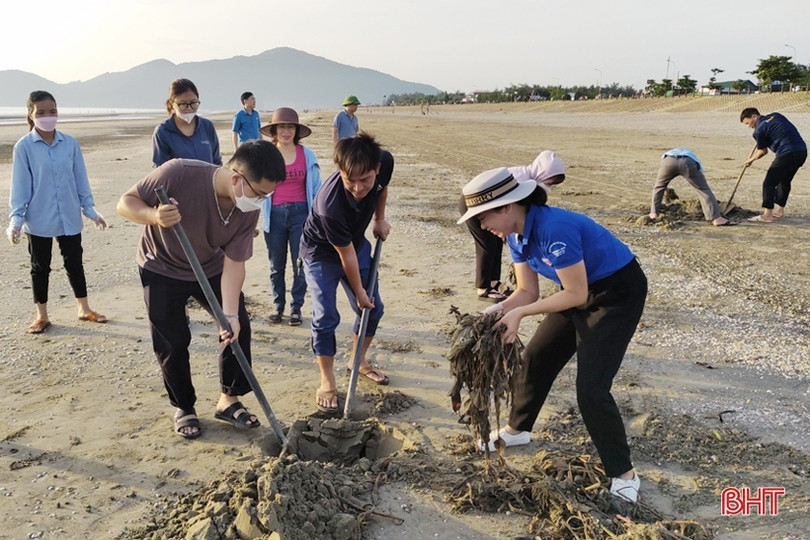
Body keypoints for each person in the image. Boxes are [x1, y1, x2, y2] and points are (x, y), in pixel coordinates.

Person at [458, 167, 647, 504]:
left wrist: (517, 314)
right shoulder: (514, 237)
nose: (481, 226)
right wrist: (492, 313)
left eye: (482, 217)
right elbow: (527, 292)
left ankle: (624, 474)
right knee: (535, 358)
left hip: (616, 292)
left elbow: (576, 294)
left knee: (591, 388)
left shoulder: (553, 228)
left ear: (507, 207)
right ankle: (517, 429)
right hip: (577, 289)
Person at [116, 140, 286, 439]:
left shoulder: (248, 207)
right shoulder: (179, 172)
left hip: (210, 266)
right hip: (162, 266)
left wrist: (230, 314)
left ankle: (228, 400)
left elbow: (235, 262)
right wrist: (154, 216)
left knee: (238, 327)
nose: (261, 201)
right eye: (259, 193)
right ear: (237, 178)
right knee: (173, 340)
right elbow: (126, 202)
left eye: (266, 196)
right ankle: (184, 407)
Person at [300, 133, 393, 413]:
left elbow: (383, 187)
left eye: (364, 179)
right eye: (348, 179)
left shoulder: (384, 162)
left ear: (376, 168)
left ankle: (358, 361)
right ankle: (327, 380)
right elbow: (346, 255)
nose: (356, 187)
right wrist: (360, 293)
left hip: (356, 242)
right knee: (326, 316)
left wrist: (379, 219)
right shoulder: (330, 204)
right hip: (321, 253)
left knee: (373, 311)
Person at [8, 90, 108, 334]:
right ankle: (41, 315)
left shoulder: (70, 144)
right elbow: (20, 187)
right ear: (31, 115)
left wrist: (91, 210)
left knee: (74, 262)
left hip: (69, 216)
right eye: (41, 112)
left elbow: (80, 180)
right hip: (39, 219)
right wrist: (16, 220)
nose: (47, 116)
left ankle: (84, 309)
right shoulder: (24, 147)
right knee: (40, 266)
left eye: (52, 111)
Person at [457, 150, 566, 302]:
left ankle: (494, 282)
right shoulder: (520, 179)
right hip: (473, 204)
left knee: (496, 243)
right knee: (486, 244)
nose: (549, 186)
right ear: (543, 173)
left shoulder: (531, 179)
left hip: (489, 205)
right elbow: (509, 212)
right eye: (549, 182)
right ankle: (483, 288)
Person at [258, 108, 322, 326]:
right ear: (274, 130)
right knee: (276, 265)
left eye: (290, 126)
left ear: (297, 130)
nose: (286, 131)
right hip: (273, 215)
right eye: (282, 127)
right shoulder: (266, 155)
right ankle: (278, 305)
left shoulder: (307, 155)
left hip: (301, 215)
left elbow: (317, 188)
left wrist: (318, 218)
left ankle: (296, 307)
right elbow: (255, 188)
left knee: (301, 264)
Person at [740, 108, 807, 222]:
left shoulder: (759, 131)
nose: (748, 126)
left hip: (787, 153)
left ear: (754, 117)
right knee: (784, 180)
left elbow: (763, 151)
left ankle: (767, 215)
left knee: (769, 183)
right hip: (801, 151)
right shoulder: (776, 115)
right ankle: (780, 211)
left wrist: (751, 160)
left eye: (747, 123)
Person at [649, 148, 733, 226]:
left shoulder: (667, 155)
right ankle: (716, 218)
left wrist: (665, 189)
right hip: (687, 162)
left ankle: (653, 214)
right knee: (703, 189)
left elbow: (662, 182)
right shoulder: (693, 157)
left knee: (659, 187)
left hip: (668, 162)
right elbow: (701, 176)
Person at [152, 78, 222, 168]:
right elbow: (160, 170)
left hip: (208, 181)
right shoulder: (163, 132)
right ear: (172, 103)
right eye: (183, 104)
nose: (189, 108)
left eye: (194, 103)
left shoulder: (207, 126)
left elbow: (216, 161)